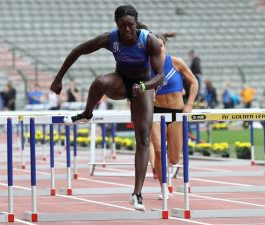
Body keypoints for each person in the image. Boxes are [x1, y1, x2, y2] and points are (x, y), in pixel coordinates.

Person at [50, 5, 164, 211]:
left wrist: (145, 86)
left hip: (144, 86)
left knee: (144, 137)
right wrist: (58, 79)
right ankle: (86, 114)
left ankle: (137, 194)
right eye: (123, 26)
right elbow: (78, 51)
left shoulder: (149, 41)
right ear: (117, 25)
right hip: (121, 82)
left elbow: (160, 76)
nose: (127, 30)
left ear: (136, 24)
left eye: (130, 25)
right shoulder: (110, 39)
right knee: (101, 81)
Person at [150, 32, 198, 199]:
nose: (157, 49)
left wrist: (189, 104)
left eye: (160, 46)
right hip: (156, 113)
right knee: (158, 150)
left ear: (165, 46)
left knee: (175, 158)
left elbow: (194, 82)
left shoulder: (176, 62)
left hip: (176, 113)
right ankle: (164, 187)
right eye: (154, 47)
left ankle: (167, 171)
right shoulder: (145, 65)